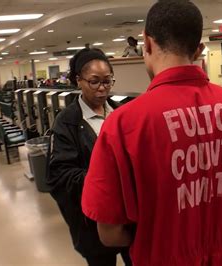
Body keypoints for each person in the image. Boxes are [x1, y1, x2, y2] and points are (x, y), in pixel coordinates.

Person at [82, 1, 222, 265]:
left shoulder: (123, 124)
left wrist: (155, 237)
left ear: (147, 43)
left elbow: (109, 233)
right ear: (199, 49)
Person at [48, 48, 132, 266]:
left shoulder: (120, 113)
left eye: (108, 81)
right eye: (94, 82)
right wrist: (105, 180)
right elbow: (60, 175)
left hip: (128, 216)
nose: (102, 89)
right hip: (92, 223)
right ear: (79, 81)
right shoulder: (67, 122)